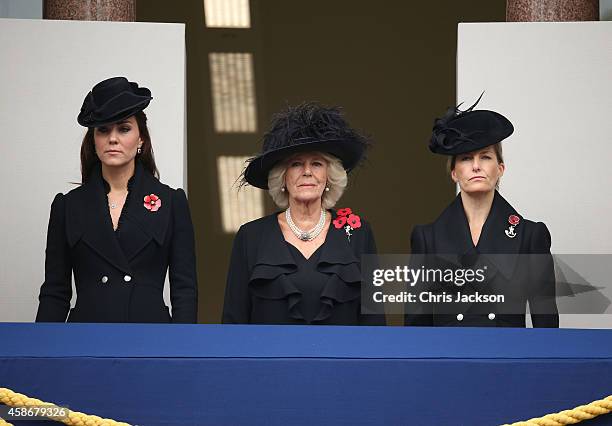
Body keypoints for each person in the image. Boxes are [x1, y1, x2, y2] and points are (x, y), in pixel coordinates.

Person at [36, 77, 198, 323]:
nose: (113, 138)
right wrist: (43, 355)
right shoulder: (68, 206)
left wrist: (182, 352)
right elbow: (55, 293)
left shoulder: (171, 202)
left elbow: (184, 290)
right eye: (103, 129)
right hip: (86, 342)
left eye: (123, 128)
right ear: (93, 139)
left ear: (141, 138)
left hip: (151, 342)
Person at [222, 102, 383, 325]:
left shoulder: (358, 233)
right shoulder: (251, 237)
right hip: (271, 359)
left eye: (317, 164)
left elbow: (374, 322)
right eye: (296, 164)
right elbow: (234, 320)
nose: (307, 172)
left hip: (340, 359)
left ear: (329, 176)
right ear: (282, 178)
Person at [406, 95, 558, 327]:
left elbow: (546, 323)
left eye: (485, 156)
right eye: (466, 158)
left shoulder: (530, 235)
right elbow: (417, 325)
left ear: (500, 168)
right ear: (454, 172)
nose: (476, 166)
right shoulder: (427, 238)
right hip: (447, 360)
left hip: (509, 359)